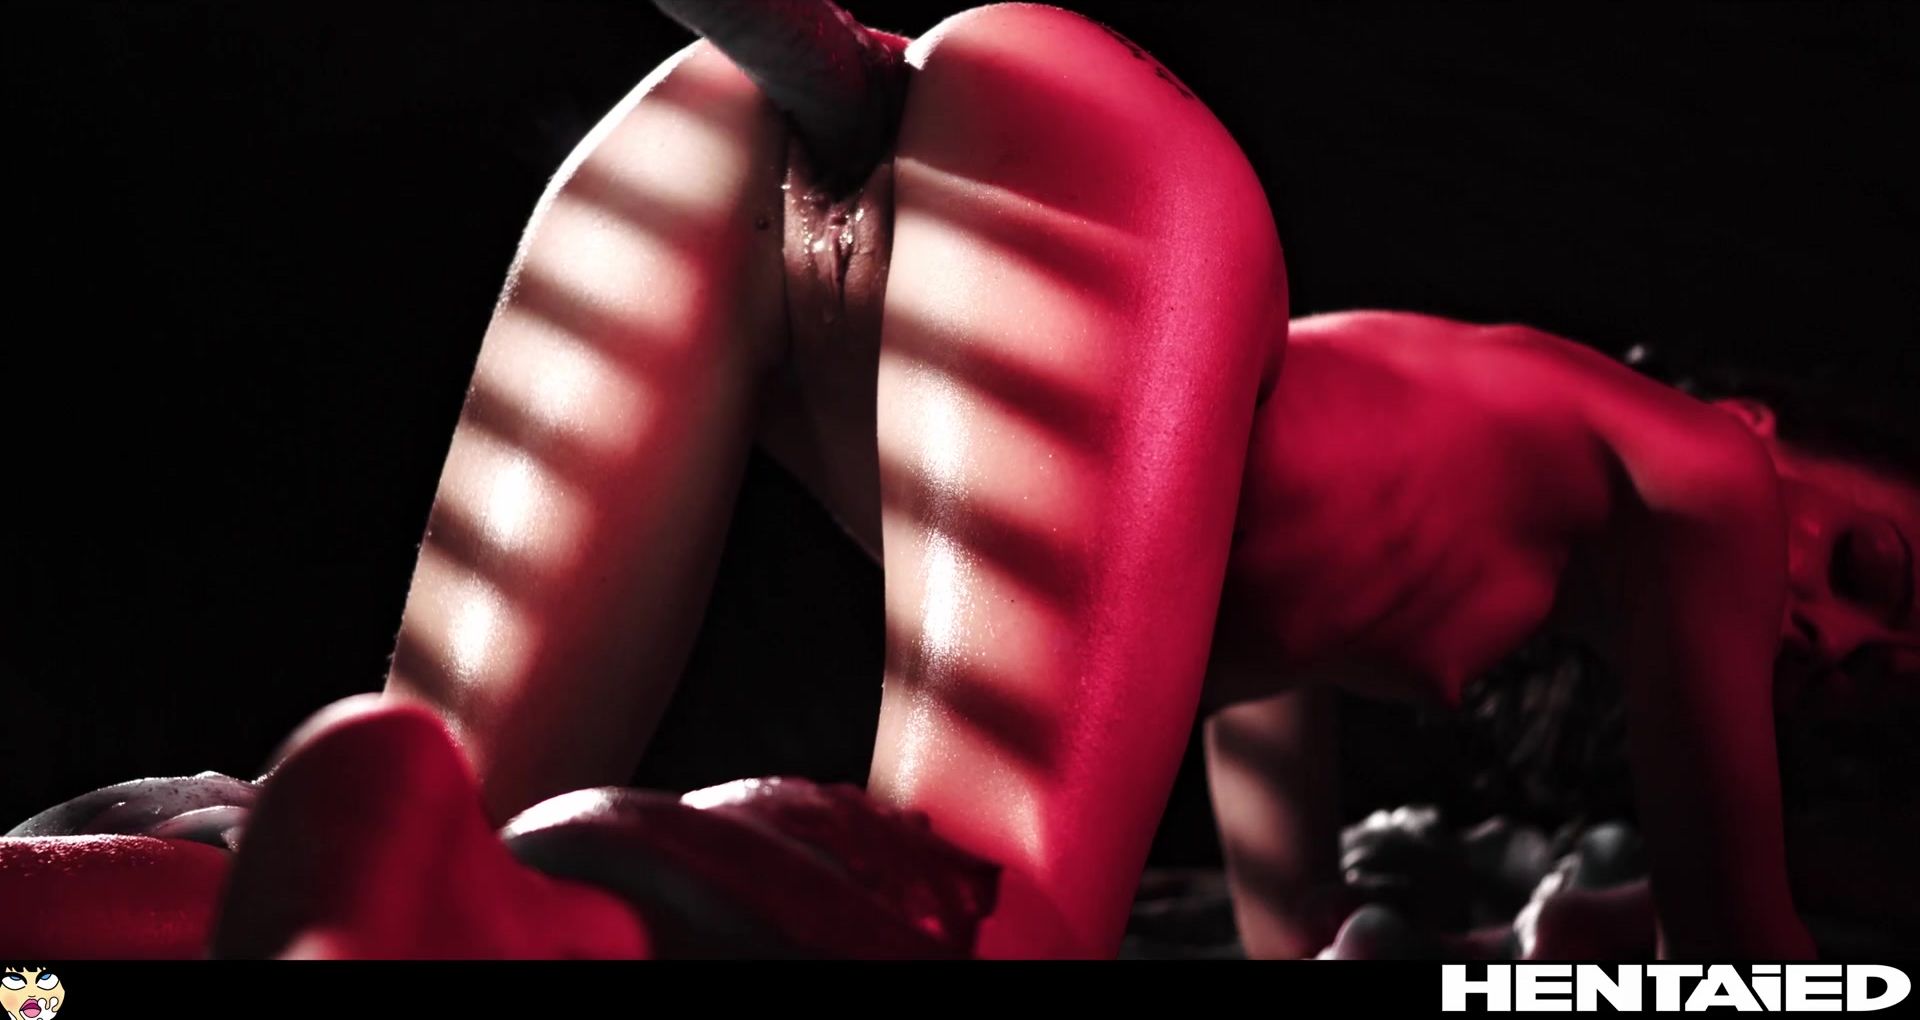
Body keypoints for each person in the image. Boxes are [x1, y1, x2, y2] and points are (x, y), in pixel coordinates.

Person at [377, 1, 1915, 959]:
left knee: (397, 850)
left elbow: (1258, 721)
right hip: (1063, 184)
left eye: (1862, 677)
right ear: (1769, 424)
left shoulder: (1395, 518)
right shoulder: (1708, 478)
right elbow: (1753, 960)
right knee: (964, 922)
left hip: (792, 155)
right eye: (1878, 569)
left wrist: (1349, 927)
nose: (1830, 630)